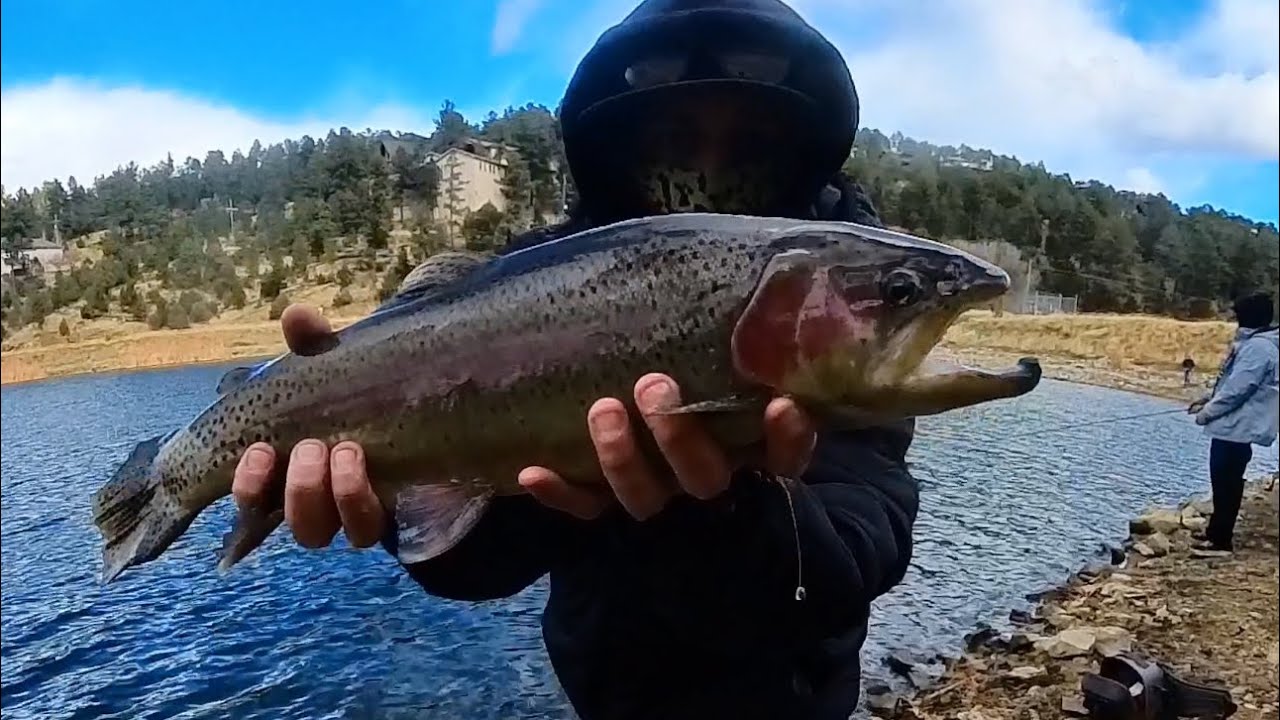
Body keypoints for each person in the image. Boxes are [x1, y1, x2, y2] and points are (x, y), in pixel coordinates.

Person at [232, 1, 919, 718]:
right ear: (621, 149)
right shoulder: (534, 284)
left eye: (750, 140)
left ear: (799, 152)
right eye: (678, 136)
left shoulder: (844, 307)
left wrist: (727, 507)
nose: (711, 165)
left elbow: (857, 555)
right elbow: (478, 563)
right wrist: (390, 485)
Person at [1187, 291, 1279, 553]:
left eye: (1238, 317)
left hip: (1237, 428)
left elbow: (1238, 390)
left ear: (1248, 319)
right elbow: (1230, 384)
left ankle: (1220, 541)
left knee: (1226, 482)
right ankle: (1216, 533)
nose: (1235, 321)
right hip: (1234, 427)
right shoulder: (1257, 345)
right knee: (1223, 481)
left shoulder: (1259, 348)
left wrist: (1207, 413)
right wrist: (1206, 399)